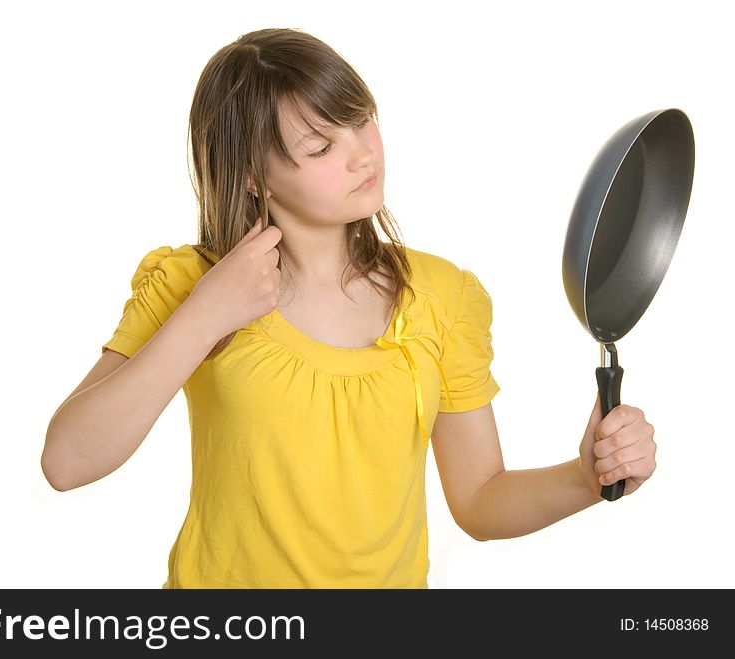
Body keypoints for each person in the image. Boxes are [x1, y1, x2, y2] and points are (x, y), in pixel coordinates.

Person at [41, 28, 657, 589]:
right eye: (320, 146)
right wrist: (205, 314)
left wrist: (584, 478)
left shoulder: (442, 297)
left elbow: (479, 501)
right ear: (255, 177)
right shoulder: (188, 283)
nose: (364, 153)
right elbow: (67, 462)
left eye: (363, 121)